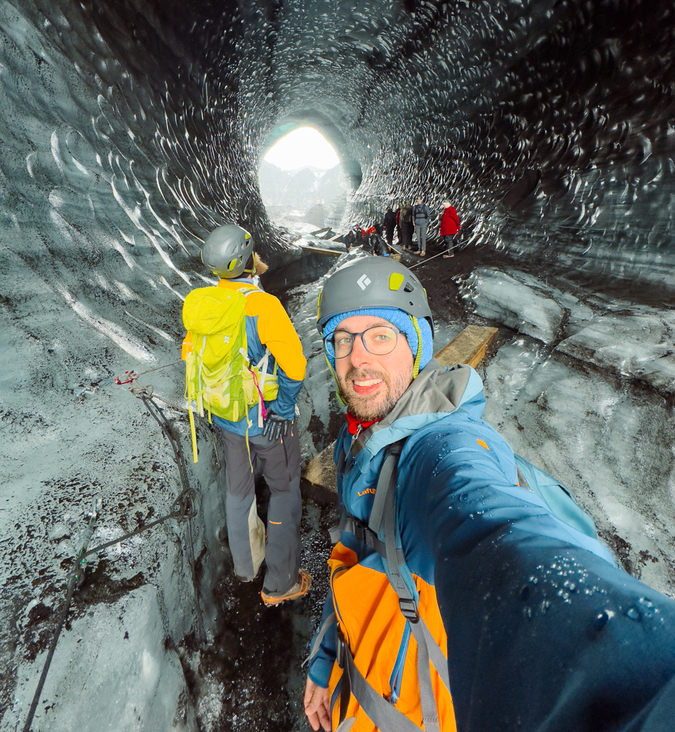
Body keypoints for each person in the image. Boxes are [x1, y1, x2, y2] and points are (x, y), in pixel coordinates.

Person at [304, 256, 675, 731]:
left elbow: (494, 532)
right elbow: (355, 553)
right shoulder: (357, 441)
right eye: (343, 339)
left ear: (417, 345)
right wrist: (324, 660)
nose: (358, 359)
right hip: (355, 690)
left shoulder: (439, 449)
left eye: (381, 336)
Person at [182, 224, 311, 606]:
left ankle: (245, 567)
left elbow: (191, 357)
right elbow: (296, 367)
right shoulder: (262, 305)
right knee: (285, 491)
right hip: (265, 419)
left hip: (226, 417)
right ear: (247, 260)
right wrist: (284, 408)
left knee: (238, 491)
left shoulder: (203, 303)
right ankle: (280, 583)